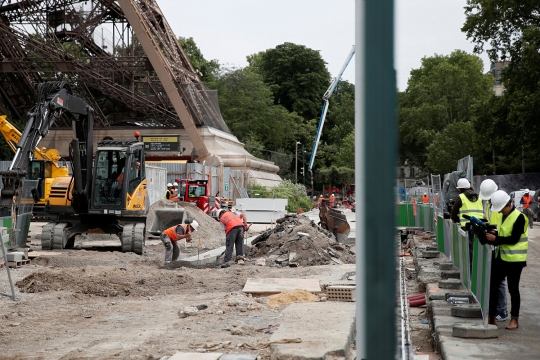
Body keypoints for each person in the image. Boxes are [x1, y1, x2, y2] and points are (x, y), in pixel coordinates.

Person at [481, 190, 527, 330]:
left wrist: (496, 239)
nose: (499, 211)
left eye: (501, 208)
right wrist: (491, 235)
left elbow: (513, 239)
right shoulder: (503, 216)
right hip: (501, 258)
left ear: (509, 204)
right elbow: (502, 234)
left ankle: (514, 319)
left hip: (515, 260)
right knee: (493, 286)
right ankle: (492, 316)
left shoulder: (520, 217)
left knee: (513, 289)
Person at [479, 179, 508, 322]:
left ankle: (502, 310)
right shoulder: (489, 204)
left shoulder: (501, 204)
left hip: (499, 244)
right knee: (495, 280)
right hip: (494, 243)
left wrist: (494, 234)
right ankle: (497, 308)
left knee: (500, 281)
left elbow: (503, 226)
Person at [451, 178, 483, 272]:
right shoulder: (478, 197)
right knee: (478, 247)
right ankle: (478, 268)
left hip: (467, 226)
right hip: (479, 225)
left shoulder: (461, 197)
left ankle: (470, 270)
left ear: (460, 189)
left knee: (468, 249)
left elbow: (455, 210)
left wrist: (453, 217)